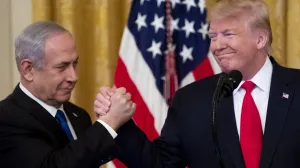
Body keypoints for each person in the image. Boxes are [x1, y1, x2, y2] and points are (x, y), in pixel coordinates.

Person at [94, 0, 300, 167]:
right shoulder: (191, 100)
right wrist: (118, 123)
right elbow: (160, 163)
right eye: (212, 36)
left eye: (228, 34)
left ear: (260, 39)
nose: (217, 46)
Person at [0, 21, 135, 168]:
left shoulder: (78, 115)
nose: (73, 77)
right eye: (62, 67)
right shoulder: (6, 118)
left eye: (74, 64)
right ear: (28, 70)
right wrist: (108, 123)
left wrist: (114, 120)